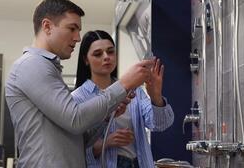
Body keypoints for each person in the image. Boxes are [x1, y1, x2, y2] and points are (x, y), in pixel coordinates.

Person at [5, 0, 154, 168]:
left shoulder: (47, 68)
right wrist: (124, 84)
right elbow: (75, 119)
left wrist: (105, 117)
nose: (78, 37)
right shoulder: (32, 65)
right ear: (47, 26)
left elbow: (79, 138)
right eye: (72, 28)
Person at [72, 30, 174, 168]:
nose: (106, 57)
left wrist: (155, 96)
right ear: (85, 59)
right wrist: (106, 142)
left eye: (110, 51)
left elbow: (160, 124)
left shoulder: (133, 89)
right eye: (98, 54)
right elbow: (73, 150)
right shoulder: (78, 98)